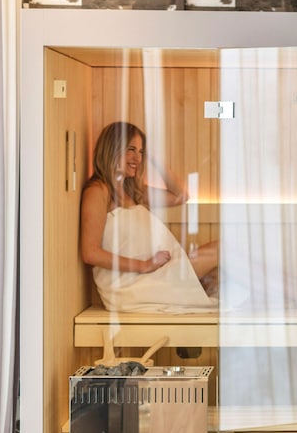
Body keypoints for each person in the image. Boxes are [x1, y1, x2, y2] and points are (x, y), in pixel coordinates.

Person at [80, 121, 219, 313]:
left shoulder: (133, 191)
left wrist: (153, 157)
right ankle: (265, 302)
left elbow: (181, 196)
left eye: (141, 152)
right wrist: (144, 265)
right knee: (221, 250)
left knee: (218, 275)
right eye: (131, 149)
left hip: (155, 274)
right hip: (132, 285)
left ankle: (262, 304)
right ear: (112, 149)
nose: (137, 158)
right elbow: (90, 252)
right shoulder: (98, 191)